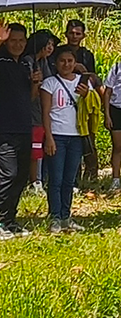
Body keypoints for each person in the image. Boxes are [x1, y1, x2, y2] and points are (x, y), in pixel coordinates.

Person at [0, 22, 39, 240]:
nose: (18, 44)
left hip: (24, 126)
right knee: (8, 173)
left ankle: (11, 219)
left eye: (22, 40)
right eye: (13, 40)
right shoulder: (0, 61)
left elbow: (29, 98)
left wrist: (34, 83)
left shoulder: (24, 64)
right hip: (4, 128)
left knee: (22, 175)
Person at [41, 46, 90, 233]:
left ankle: (66, 215)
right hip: (58, 135)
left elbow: (92, 107)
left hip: (76, 135)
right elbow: (46, 112)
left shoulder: (82, 82)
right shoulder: (50, 83)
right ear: (56, 62)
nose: (66, 64)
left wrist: (87, 95)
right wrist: (49, 138)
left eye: (70, 61)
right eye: (62, 61)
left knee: (69, 180)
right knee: (56, 179)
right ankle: (54, 216)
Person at [63, 19, 100, 181]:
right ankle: (74, 176)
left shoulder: (87, 54)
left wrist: (84, 72)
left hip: (84, 98)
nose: (74, 36)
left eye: (78, 33)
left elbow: (93, 76)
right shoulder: (60, 52)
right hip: (64, 98)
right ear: (66, 34)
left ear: (83, 35)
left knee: (89, 138)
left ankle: (92, 175)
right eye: (71, 33)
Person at [25, 30, 57, 191]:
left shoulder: (44, 62)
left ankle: (39, 177)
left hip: (42, 107)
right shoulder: (29, 61)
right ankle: (34, 180)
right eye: (48, 44)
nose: (50, 48)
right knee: (35, 146)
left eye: (52, 45)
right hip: (31, 110)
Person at [103, 59, 121, 191]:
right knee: (118, 146)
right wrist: (107, 115)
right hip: (116, 109)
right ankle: (115, 178)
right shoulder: (116, 67)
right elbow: (107, 92)